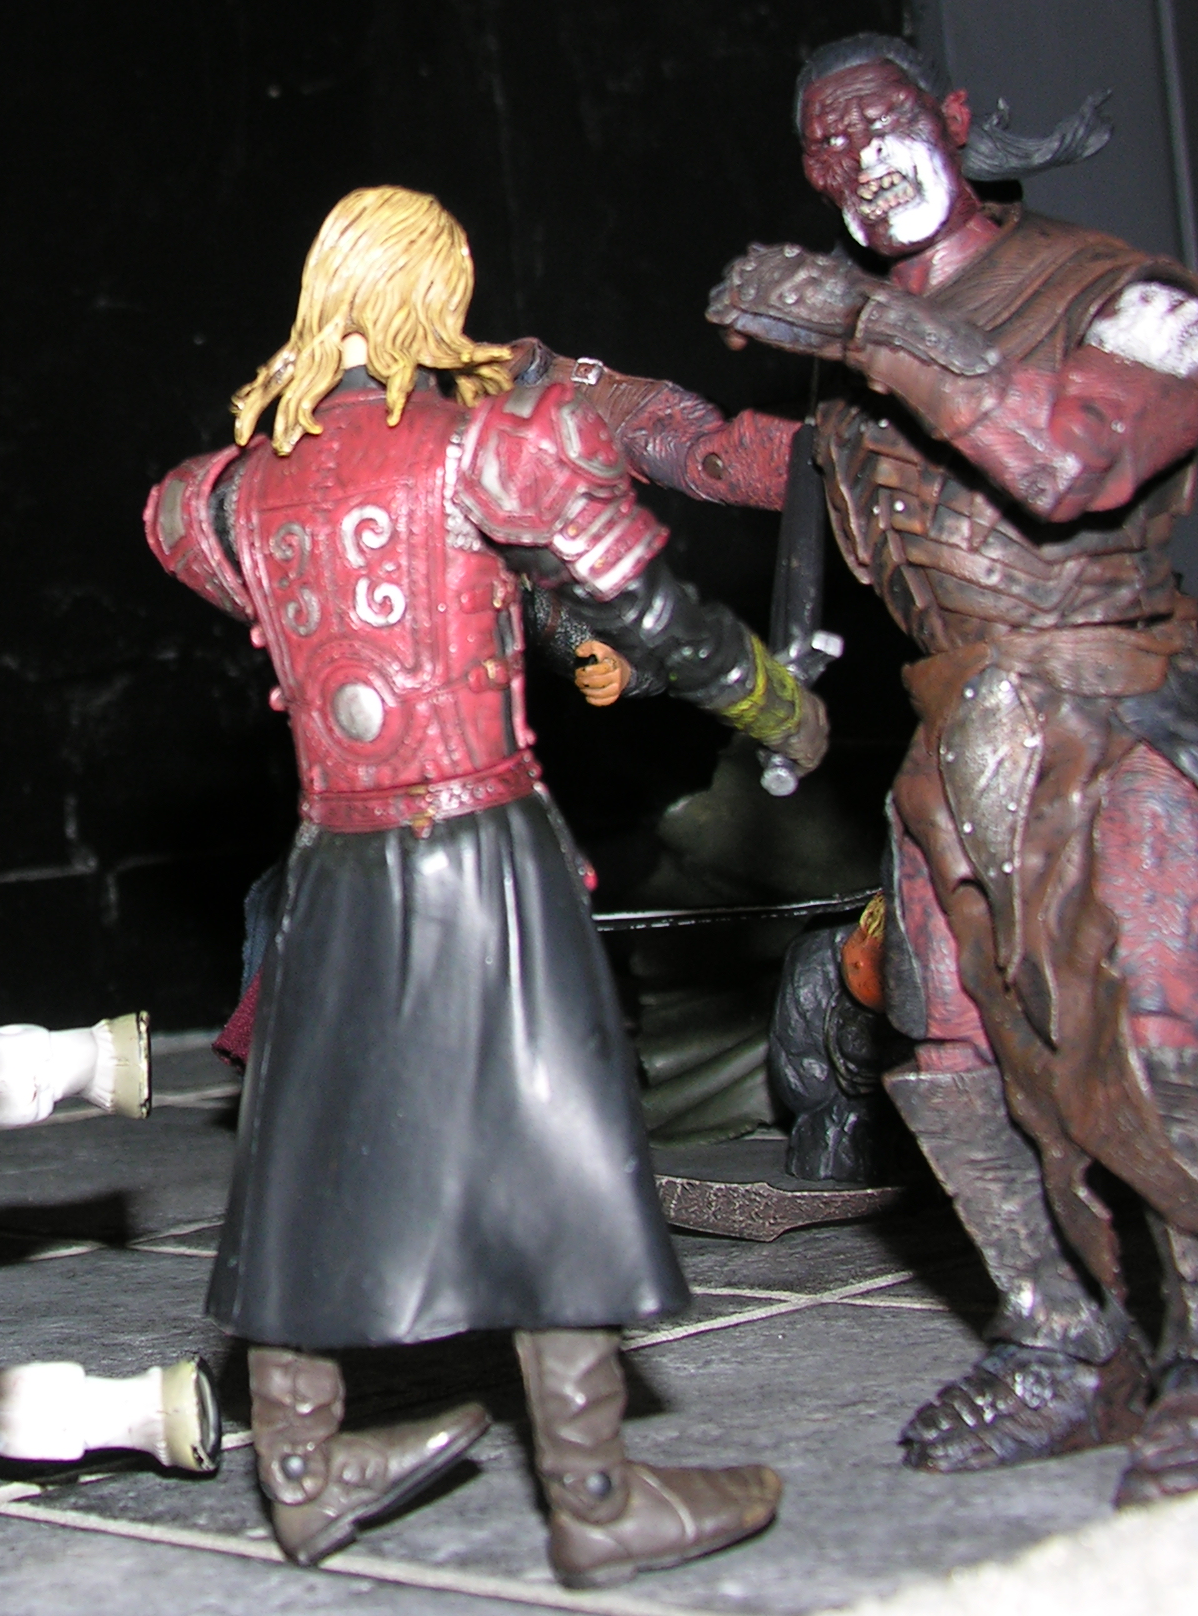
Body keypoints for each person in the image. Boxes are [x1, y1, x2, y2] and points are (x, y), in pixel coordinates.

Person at [696, 34, 1198, 1504]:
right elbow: (774, 467)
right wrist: (582, 408)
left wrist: (866, 323)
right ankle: (1059, 1342)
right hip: (955, 735)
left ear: (957, 120)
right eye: (829, 146)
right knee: (951, 1046)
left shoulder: (1124, 295)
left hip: (1112, 711)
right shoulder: (856, 371)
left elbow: (1069, 462)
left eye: (885, 123)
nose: (863, 161)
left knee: (1164, 1021)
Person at [144, 186, 802, 1582]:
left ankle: (302, 1469)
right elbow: (651, 611)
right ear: (432, 300)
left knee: (308, 1148)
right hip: (481, 844)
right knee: (551, 1141)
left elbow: (190, 539)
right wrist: (774, 701)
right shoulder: (481, 448)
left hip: (334, 858)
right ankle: (594, 1491)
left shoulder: (226, 492)